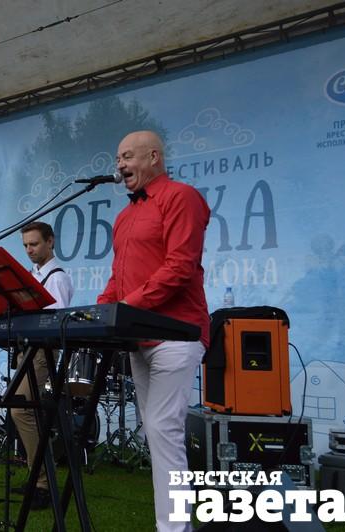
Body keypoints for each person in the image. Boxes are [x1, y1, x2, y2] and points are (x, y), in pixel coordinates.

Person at [97, 130, 210, 532]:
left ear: (154, 158)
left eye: (128, 156)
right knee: (158, 432)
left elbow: (180, 266)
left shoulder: (181, 197)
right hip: (139, 336)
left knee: (164, 429)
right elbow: (118, 278)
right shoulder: (124, 217)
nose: (120, 165)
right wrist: (100, 310)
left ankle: (174, 528)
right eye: (118, 159)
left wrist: (126, 307)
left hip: (178, 333)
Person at [10, 221, 74, 509]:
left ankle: (43, 483)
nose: (29, 250)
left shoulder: (56, 278)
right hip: (28, 348)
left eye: (34, 244)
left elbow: (54, 323)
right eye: (25, 245)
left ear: (50, 242)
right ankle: (38, 478)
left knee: (20, 408)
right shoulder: (33, 276)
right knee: (28, 412)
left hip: (42, 351)